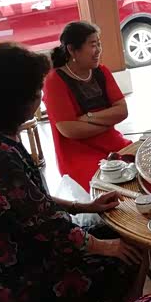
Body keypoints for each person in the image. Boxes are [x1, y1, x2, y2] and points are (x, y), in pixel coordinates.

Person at [0, 42, 145, 302]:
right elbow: (44, 225)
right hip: (9, 281)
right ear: (12, 98)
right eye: (35, 91)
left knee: (123, 231)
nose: (40, 97)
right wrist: (107, 247)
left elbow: (29, 202)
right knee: (128, 253)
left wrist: (84, 206)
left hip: (13, 258)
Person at [43, 22, 131, 191]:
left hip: (114, 143)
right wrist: (108, 122)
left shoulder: (102, 71)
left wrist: (88, 117)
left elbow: (122, 111)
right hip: (78, 154)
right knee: (111, 187)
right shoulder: (55, 80)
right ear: (72, 49)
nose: (98, 50)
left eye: (99, 44)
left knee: (145, 169)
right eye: (92, 45)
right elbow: (69, 130)